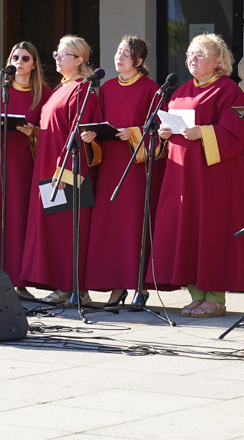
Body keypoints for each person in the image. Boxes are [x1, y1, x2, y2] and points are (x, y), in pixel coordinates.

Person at [147, 33, 244, 318]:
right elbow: (174, 125)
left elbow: (238, 131)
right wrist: (165, 133)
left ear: (218, 61)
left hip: (213, 175)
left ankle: (216, 298)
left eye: (200, 55)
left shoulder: (228, 90)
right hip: (181, 173)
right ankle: (196, 294)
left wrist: (204, 132)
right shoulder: (180, 91)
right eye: (190, 54)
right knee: (188, 229)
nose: (191, 59)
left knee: (211, 230)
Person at [81, 36, 161, 307]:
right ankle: (116, 287)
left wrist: (133, 133)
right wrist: (93, 136)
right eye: (118, 52)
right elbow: (101, 120)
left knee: (133, 227)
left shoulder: (152, 90)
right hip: (110, 168)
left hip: (135, 169)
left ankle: (139, 286)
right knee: (110, 228)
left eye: (126, 54)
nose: (119, 57)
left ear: (139, 61)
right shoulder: (107, 88)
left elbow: (158, 133)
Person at [21, 35, 99, 304]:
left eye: (62, 54)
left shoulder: (82, 89)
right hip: (49, 167)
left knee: (69, 229)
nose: (55, 57)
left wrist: (67, 171)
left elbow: (78, 133)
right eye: (56, 52)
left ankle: (74, 288)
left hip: (67, 171)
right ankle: (63, 286)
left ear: (78, 60)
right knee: (55, 229)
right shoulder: (60, 88)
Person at [0, 42, 52, 298]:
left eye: (25, 57)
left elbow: (53, 133)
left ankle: (19, 282)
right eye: (15, 57)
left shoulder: (44, 95)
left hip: (27, 167)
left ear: (34, 64)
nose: (19, 61)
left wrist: (35, 133)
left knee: (19, 220)